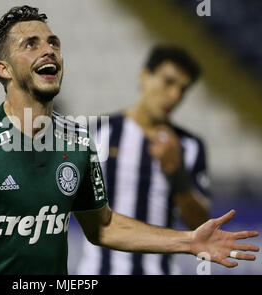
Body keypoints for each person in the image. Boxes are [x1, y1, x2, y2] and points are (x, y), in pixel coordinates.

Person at [0, 5, 259, 275]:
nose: (49, 49)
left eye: (53, 42)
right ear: (3, 69)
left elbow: (102, 226)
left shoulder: (77, 140)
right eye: (31, 44)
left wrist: (188, 241)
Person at [77, 46, 213, 275]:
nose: (174, 96)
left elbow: (199, 225)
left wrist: (177, 173)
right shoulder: (97, 133)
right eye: (168, 82)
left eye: (183, 89)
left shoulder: (189, 147)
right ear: (144, 76)